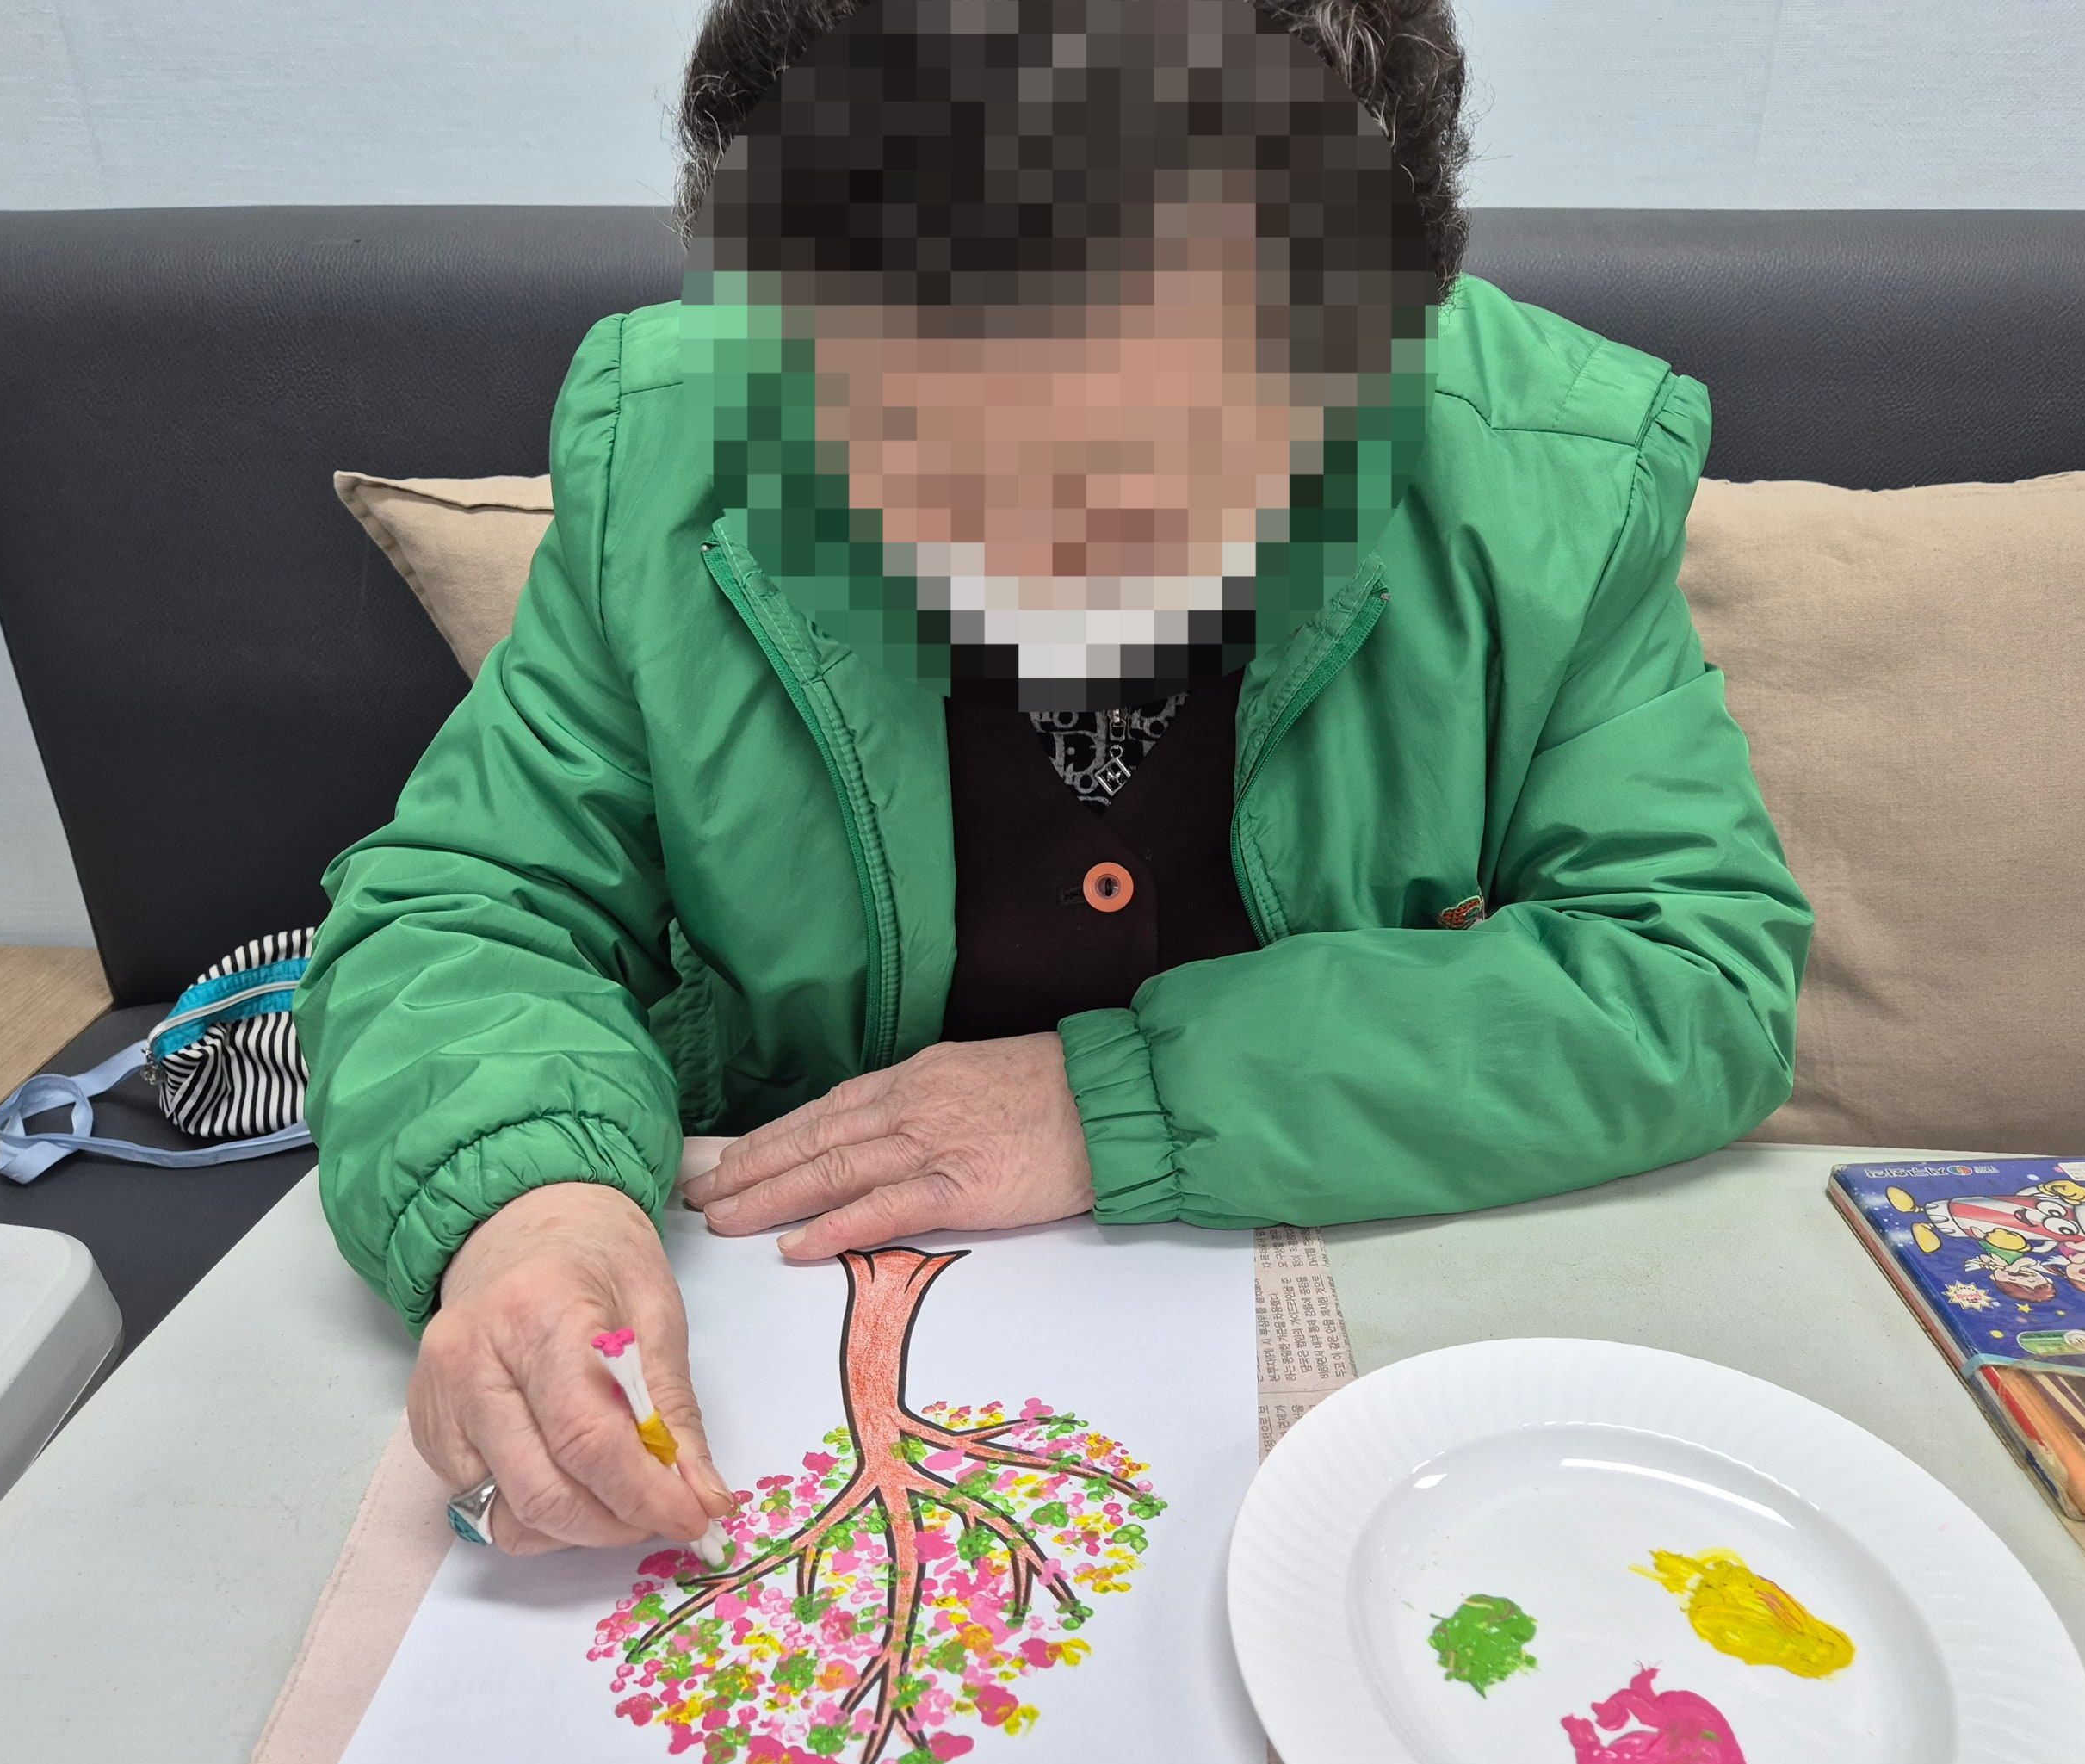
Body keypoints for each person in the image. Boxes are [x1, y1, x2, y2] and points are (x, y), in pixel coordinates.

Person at [293, 0, 1814, 1558]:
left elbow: (1690, 971)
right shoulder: (674, 453)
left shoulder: (1553, 484)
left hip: (1355, 1391)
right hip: (791, 1327)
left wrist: (1118, 1100)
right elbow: (475, 906)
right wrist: (529, 1203)